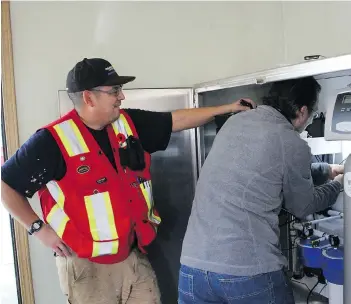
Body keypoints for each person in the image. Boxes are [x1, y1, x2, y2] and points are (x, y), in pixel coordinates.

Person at [0, 58, 255, 304]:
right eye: (114, 90)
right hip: (88, 268)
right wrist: (38, 229)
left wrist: (227, 108)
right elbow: (5, 185)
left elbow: (176, 120)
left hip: (133, 256)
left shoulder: (126, 123)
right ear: (89, 97)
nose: (121, 96)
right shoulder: (52, 141)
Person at [178, 76, 343, 304]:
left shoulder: (235, 122)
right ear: (303, 111)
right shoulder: (290, 141)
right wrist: (339, 185)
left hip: (193, 268)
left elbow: (268, 170)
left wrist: (328, 170)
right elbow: (303, 205)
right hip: (245, 271)